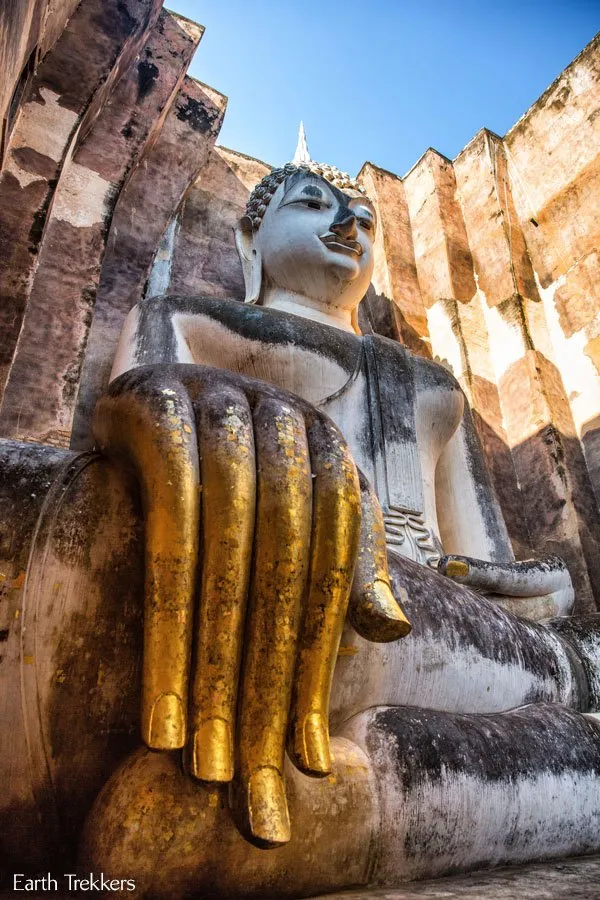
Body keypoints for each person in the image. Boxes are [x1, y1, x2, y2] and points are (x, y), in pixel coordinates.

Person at [83, 153, 600, 895]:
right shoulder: (188, 320)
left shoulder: (432, 387)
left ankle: (354, 804)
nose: (347, 225)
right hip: (264, 584)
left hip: (447, 624)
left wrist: (518, 581)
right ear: (250, 240)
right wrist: (191, 411)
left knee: (572, 662)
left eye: (361, 218)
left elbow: (481, 559)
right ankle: (355, 800)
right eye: (314, 205)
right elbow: (139, 422)